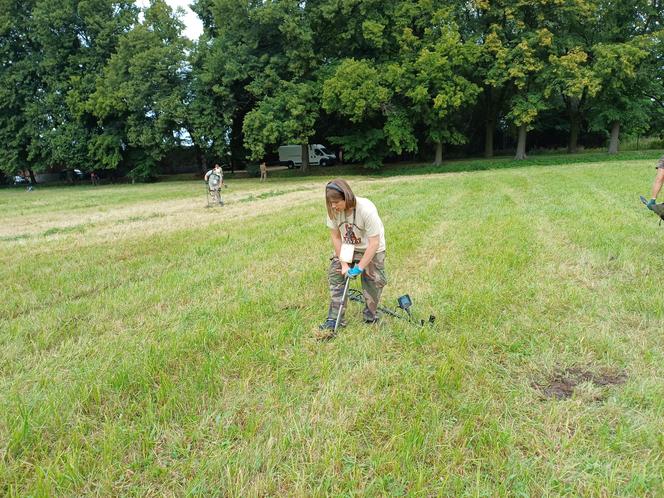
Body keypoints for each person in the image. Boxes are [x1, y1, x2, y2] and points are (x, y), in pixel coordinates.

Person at [319, 179, 387, 332]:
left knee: (374, 281)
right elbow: (336, 237)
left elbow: (374, 243)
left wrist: (359, 268)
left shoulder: (366, 209)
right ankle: (335, 318)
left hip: (371, 248)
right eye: (330, 202)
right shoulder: (333, 211)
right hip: (349, 246)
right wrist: (344, 264)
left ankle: (371, 316)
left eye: (336, 202)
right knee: (335, 274)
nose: (333, 206)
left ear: (347, 196)